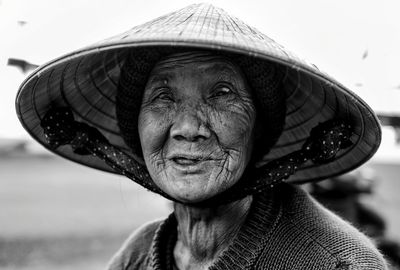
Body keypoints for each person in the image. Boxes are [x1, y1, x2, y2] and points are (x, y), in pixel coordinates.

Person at [15, 3, 388, 270]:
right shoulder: (137, 255)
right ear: (138, 130)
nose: (188, 128)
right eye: (163, 98)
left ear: (258, 127)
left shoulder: (337, 262)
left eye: (222, 95)